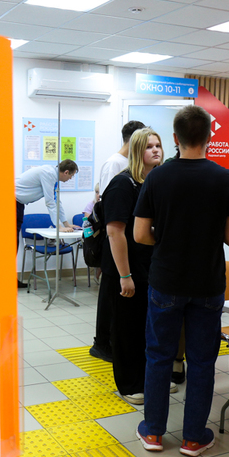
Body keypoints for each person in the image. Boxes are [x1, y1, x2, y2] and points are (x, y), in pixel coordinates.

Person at [133, 106, 229, 456]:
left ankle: (153, 433)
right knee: (201, 360)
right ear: (210, 137)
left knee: (159, 356)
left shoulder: (157, 177)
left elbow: (140, 234)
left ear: (175, 138)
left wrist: (167, 238)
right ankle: (194, 437)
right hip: (207, 283)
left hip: (166, 280)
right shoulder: (226, 179)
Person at [100, 128, 163, 404]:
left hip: (150, 265)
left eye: (158, 145)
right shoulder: (123, 184)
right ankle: (129, 385)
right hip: (125, 267)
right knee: (127, 328)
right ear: (137, 151)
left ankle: (147, 379)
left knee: (146, 327)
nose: (156, 150)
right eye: (149, 146)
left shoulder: (155, 183)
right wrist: (125, 275)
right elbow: (115, 232)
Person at [91, 120, 146, 363]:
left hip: (129, 241)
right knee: (110, 294)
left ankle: (113, 341)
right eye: (147, 143)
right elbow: (108, 207)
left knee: (119, 299)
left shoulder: (139, 168)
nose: (152, 149)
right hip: (115, 237)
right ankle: (102, 343)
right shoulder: (116, 164)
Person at [15, 160, 78, 288]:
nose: (70, 179)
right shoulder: (48, 174)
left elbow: (56, 201)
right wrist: (58, 227)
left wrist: (66, 224)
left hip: (18, 203)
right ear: (66, 172)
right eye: (71, 176)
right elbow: (50, 202)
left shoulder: (53, 177)